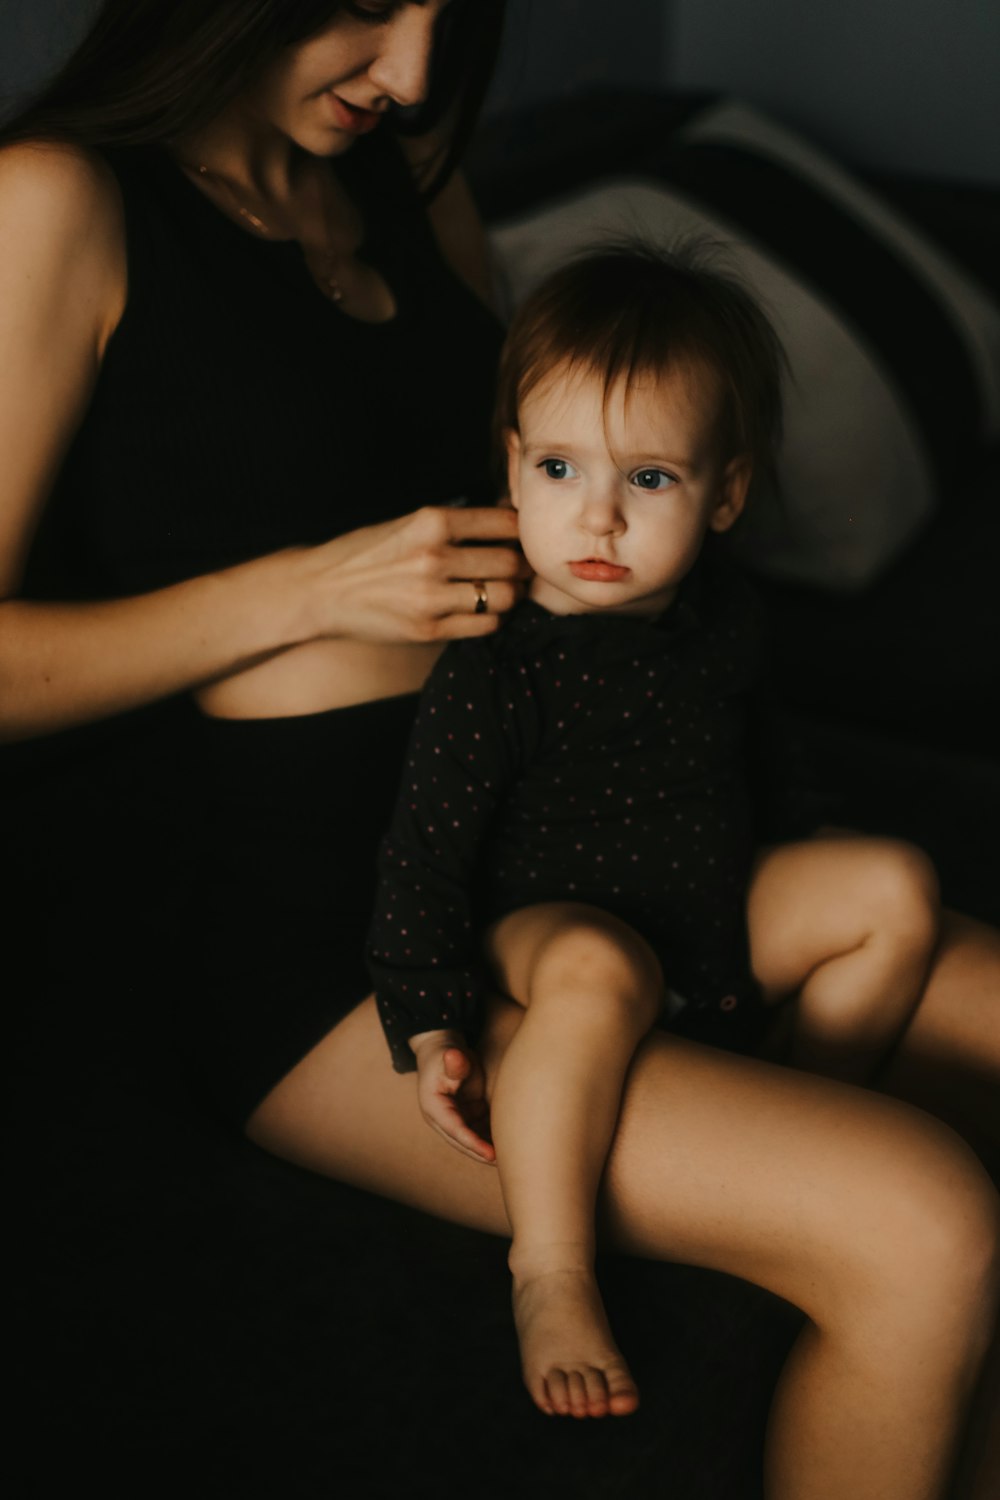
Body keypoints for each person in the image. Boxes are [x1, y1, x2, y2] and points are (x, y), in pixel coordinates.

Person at [1, 4, 998, 1497]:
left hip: (563, 839)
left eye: (445, 19)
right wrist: (298, 595)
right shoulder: (59, 201)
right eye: (363, 8)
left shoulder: (407, 172)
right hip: (319, 946)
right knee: (921, 1220)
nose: (408, 76)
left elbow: (558, 482)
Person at [366, 242, 955, 1418]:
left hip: (707, 903)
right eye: (560, 467)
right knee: (593, 970)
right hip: (550, 914)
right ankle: (550, 1269)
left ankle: (797, 1102)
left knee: (892, 886)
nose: (596, 516)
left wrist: (801, 846)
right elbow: (422, 848)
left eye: (649, 482)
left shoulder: (724, 617)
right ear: (512, 467)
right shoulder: (495, 669)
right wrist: (430, 1023)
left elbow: (762, 759)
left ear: (724, 493)